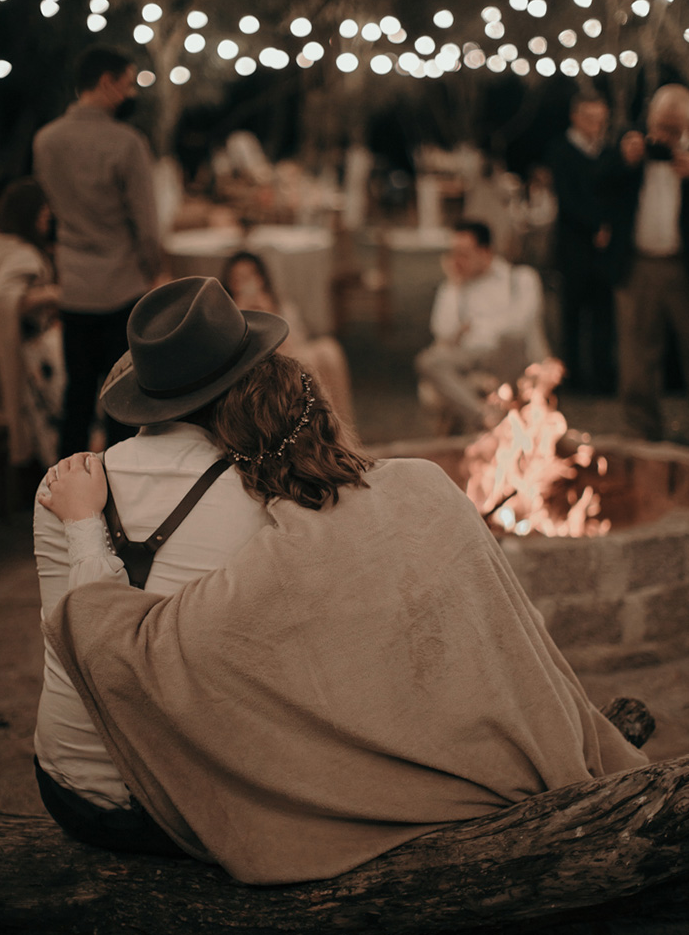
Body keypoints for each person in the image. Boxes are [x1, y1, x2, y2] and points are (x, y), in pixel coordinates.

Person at [34, 276, 645, 884]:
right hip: (173, 803)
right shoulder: (270, 498)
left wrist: (85, 527)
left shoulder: (62, 488)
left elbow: (99, 642)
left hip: (71, 786)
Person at [33, 46, 162, 458]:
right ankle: (118, 487)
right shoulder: (127, 143)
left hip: (74, 288)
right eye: (128, 85)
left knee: (77, 396)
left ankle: (64, 481)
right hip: (122, 288)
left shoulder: (45, 141)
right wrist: (154, 271)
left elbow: (53, 212)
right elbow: (147, 227)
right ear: (106, 83)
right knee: (122, 400)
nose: (131, 94)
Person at [597, 83, 689, 441]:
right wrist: (625, 161)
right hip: (636, 265)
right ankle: (641, 427)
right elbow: (596, 185)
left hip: (683, 265)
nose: (664, 136)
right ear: (650, 118)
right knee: (637, 353)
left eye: (674, 129)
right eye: (660, 126)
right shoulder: (629, 144)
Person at [415, 220, 549, 433]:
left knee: (511, 340)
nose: (457, 260)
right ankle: (484, 416)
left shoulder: (520, 279)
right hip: (471, 355)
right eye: (453, 253)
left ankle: (502, 412)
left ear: (485, 252)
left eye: (464, 254)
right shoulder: (455, 286)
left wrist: (477, 328)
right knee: (429, 360)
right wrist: (455, 286)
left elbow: (520, 325)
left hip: (508, 354)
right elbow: (443, 331)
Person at [222, 249, 355, 430]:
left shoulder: (276, 302)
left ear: (261, 277)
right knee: (310, 363)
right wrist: (244, 309)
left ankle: (342, 424)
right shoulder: (229, 311)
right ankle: (327, 426)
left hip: (291, 350)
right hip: (263, 363)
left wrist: (271, 311)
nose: (246, 283)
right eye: (239, 278)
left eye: (251, 275)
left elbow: (295, 339)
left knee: (329, 349)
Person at [0, 177, 64, 468]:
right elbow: (1, 299)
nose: (48, 222)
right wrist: (51, 294)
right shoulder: (24, 254)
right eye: (43, 216)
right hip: (13, 362)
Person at [546, 93, 615, 393]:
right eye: (589, 118)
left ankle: (602, 376)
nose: (595, 125)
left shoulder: (608, 151)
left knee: (603, 313)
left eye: (600, 120)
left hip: (604, 247)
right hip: (573, 244)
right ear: (575, 117)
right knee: (571, 314)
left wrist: (608, 226)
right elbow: (567, 199)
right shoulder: (561, 150)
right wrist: (596, 225)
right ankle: (572, 376)